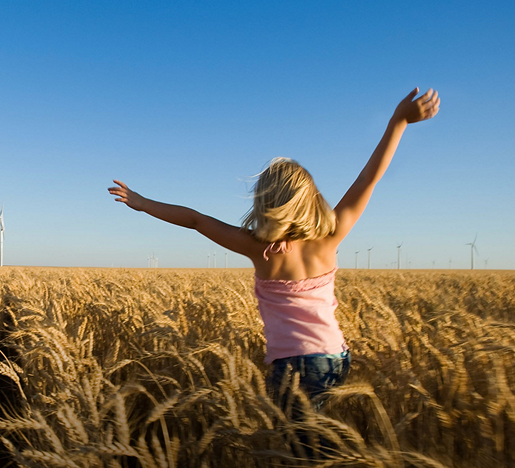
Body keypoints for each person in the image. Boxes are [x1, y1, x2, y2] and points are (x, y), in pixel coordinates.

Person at [108, 87, 440, 412]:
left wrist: (142, 203)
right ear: (311, 199)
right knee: (319, 438)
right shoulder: (331, 236)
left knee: (297, 443)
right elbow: (369, 179)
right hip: (336, 356)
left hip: (294, 364)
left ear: (264, 202)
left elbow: (196, 220)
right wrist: (398, 122)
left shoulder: (259, 248)